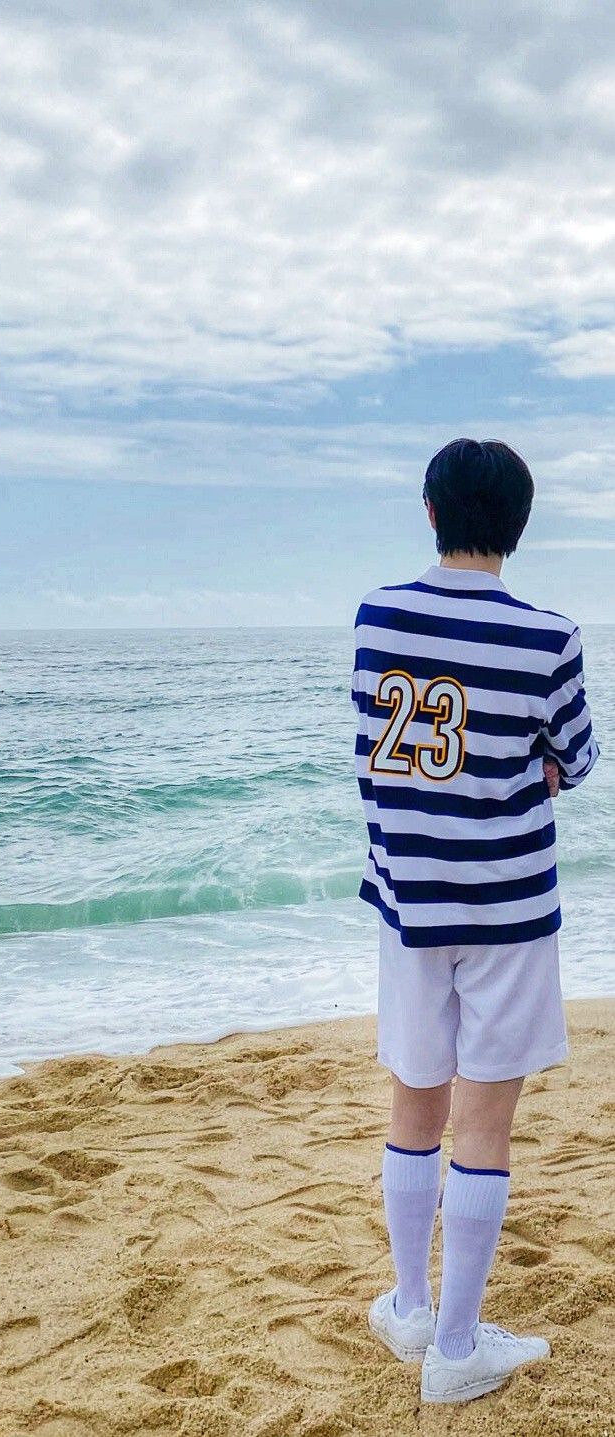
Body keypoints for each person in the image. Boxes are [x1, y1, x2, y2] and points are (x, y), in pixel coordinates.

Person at [351, 437, 600, 1405]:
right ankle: (456, 1347)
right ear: (520, 527)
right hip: (507, 903)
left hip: (409, 898)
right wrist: (525, 764)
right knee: (485, 1119)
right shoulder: (548, 634)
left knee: (416, 1095)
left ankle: (412, 1307)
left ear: (430, 511)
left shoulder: (377, 615)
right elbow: (573, 759)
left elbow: (379, 750)